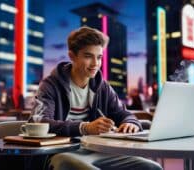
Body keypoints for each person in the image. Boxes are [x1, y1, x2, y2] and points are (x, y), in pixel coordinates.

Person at [34, 26, 162, 170]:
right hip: (61, 152)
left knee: (152, 167)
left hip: (97, 150)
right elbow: (41, 123)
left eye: (99, 57)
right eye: (88, 56)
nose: (95, 64)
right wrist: (85, 128)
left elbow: (123, 113)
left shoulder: (102, 86)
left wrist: (130, 123)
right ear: (72, 56)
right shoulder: (50, 85)